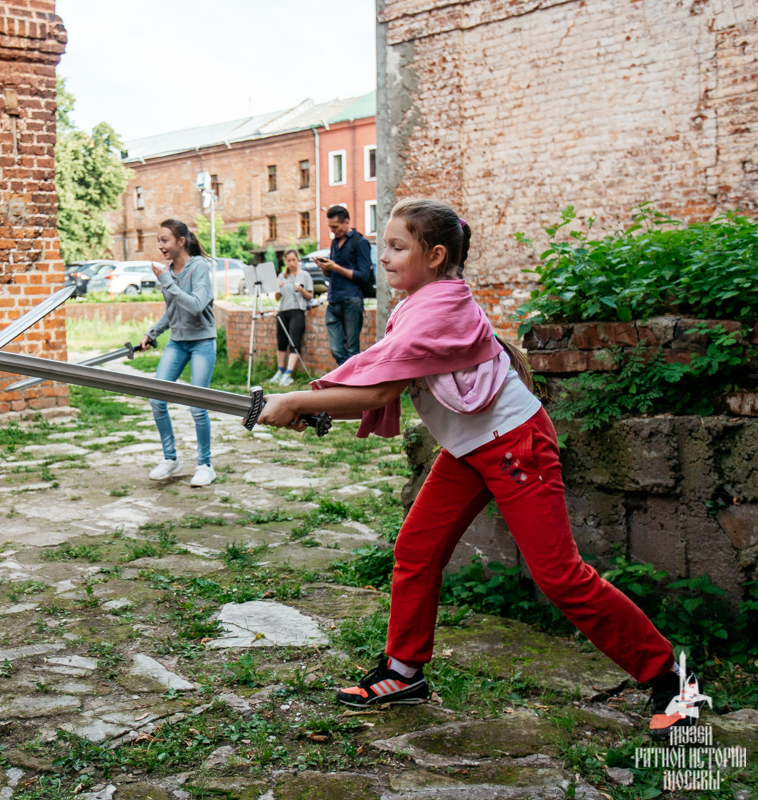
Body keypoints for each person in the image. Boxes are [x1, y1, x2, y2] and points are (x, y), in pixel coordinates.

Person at [257, 199, 686, 738]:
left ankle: (669, 676)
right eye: (381, 246)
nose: (382, 257)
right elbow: (385, 373)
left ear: (435, 255)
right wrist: (314, 405)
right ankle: (404, 672)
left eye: (396, 247)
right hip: (472, 450)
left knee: (560, 577)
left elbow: (384, 386)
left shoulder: (440, 306)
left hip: (514, 446)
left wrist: (299, 401)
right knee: (416, 548)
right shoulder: (422, 301)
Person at [138, 219, 218, 488]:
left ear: (181, 241)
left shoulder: (199, 268)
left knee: (197, 404)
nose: (160, 246)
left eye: (164, 240)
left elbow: (196, 305)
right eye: (158, 240)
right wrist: (153, 332)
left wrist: (166, 282)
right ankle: (170, 458)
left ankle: (205, 464)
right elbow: (173, 310)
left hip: (202, 342)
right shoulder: (169, 271)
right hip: (177, 341)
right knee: (157, 399)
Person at [315, 205, 374, 365]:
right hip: (333, 300)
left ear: (346, 222)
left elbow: (363, 275)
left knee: (352, 350)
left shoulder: (360, 242)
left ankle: (351, 385)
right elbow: (332, 272)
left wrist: (335, 267)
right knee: (336, 349)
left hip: (351, 300)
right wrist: (326, 268)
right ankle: (347, 380)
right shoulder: (335, 243)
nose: (332, 231)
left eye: (335, 227)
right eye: (330, 227)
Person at [270, 249, 315, 386]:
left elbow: (310, 296)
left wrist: (301, 290)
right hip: (283, 310)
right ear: (285, 261)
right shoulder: (282, 276)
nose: (291, 263)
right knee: (281, 342)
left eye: (293, 260)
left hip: (297, 310)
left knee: (294, 341)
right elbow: (277, 298)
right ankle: (280, 370)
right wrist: (278, 288)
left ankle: (289, 373)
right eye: (288, 260)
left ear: (297, 260)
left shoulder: (305, 275)